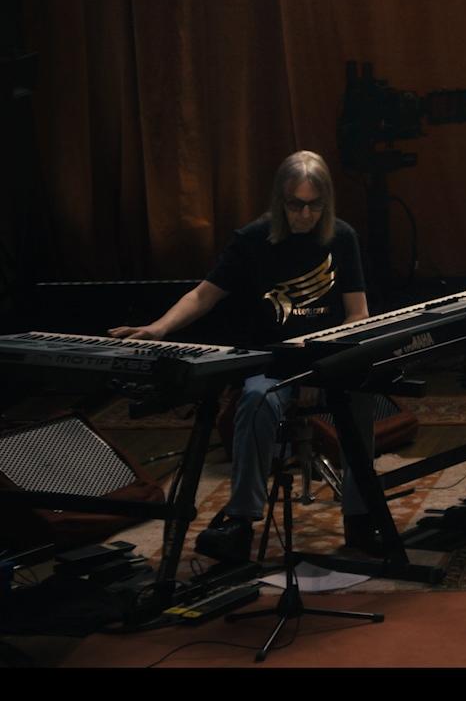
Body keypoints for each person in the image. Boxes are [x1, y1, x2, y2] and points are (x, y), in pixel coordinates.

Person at [111, 150, 378, 563]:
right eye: (295, 205)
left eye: (313, 205)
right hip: (271, 363)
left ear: (326, 203)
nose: (304, 215)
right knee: (255, 402)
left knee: (361, 399)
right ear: (279, 201)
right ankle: (241, 518)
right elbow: (203, 294)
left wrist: (321, 368)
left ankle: (360, 518)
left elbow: (358, 314)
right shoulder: (253, 239)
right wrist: (160, 328)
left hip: (326, 361)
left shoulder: (341, 237)